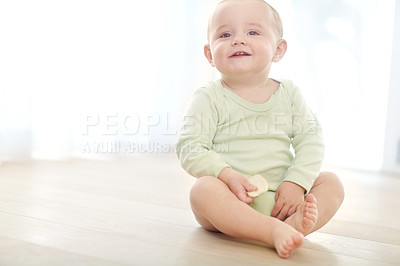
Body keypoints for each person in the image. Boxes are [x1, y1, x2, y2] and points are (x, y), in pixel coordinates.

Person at [176, 0, 344, 259]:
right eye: (225, 34)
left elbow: (311, 139)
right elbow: (190, 147)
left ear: (278, 50)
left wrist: (296, 183)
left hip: (283, 198)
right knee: (202, 189)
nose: (238, 40)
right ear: (210, 55)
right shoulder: (209, 97)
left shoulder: (289, 94)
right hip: (229, 200)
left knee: (332, 183)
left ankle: (289, 226)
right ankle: (270, 231)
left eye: (252, 32)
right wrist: (227, 175)